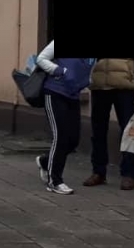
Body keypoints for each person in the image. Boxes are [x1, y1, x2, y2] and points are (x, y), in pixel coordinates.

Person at [84, 23, 134, 191]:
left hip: (124, 87)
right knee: (98, 131)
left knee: (129, 131)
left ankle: (128, 174)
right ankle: (98, 172)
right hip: (100, 86)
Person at [32, 40, 96, 195]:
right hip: (54, 93)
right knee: (60, 137)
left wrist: (87, 81)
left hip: (72, 96)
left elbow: (88, 70)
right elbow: (41, 59)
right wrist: (60, 71)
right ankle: (54, 181)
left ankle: (45, 162)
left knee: (73, 140)